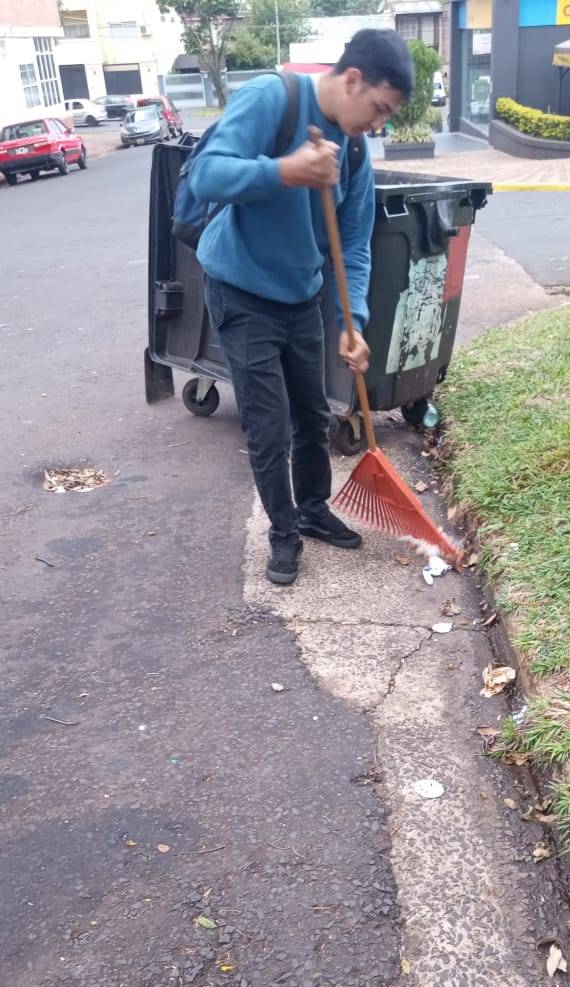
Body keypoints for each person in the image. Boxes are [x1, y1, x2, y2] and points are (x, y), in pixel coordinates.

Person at [189, 30, 414, 585]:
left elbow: (353, 244)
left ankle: (312, 509)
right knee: (268, 425)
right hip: (241, 289)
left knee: (312, 416)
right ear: (353, 80)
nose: (377, 124)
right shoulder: (274, 97)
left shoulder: (354, 149)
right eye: (379, 109)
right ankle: (283, 531)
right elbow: (207, 174)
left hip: (300, 293)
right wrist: (284, 171)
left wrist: (351, 322)